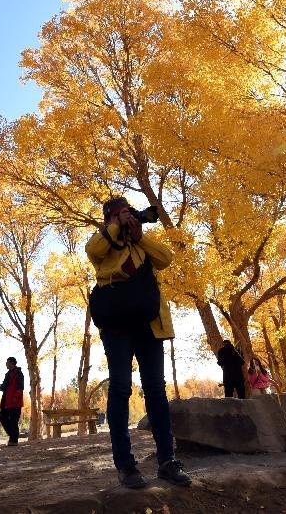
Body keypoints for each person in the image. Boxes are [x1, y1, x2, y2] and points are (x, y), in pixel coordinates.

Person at [86, 197, 191, 489]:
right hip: (118, 325)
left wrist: (140, 236)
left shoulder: (141, 243)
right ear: (109, 218)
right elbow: (92, 251)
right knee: (120, 388)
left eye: (130, 214)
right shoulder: (103, 242)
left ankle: (167, 461)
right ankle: (126, 465)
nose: (129, 219)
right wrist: (116, 228)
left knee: (156, 389)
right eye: (122, 215)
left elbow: (166, 259)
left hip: (150, 324)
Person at [0, 356, 25, 446]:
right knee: (3, 418)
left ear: (12, 363)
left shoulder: (19, 373)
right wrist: (1, 386)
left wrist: (16, 397)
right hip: (6, 400)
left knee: (14, 420)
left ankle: (14, 440)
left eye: (7, 362)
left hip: (15, 402)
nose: (6, 363)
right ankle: (12, 436)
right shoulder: (8, 374)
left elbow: (20, 387)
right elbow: (5, 385)